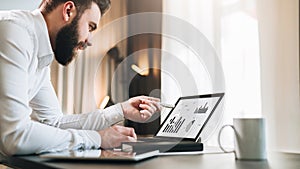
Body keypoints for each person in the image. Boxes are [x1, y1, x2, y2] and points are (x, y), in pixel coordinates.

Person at [0, 0, 161, 155]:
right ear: (68, 10)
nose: (89, 41)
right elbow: (15, 136)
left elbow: (54, 123)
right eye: (90, 27)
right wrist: (98, 138)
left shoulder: (40, 56)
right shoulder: (14, 31)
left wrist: (120, 110)